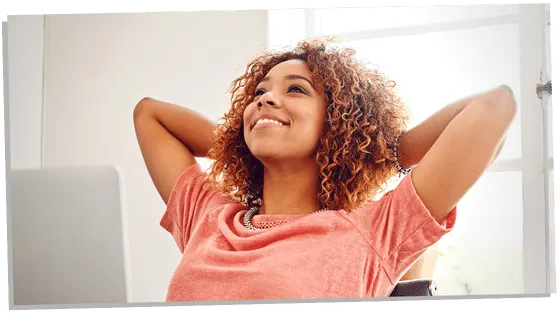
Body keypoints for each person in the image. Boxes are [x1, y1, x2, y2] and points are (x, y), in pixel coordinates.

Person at [133, 40, 516, 301]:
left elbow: (495, 106)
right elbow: (148, 113)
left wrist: (381, 148)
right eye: (259, 94)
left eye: (296, 90)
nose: (266, 98)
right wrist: (244, 137)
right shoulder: (208, 217)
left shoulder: (373, 233)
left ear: (338, 123)